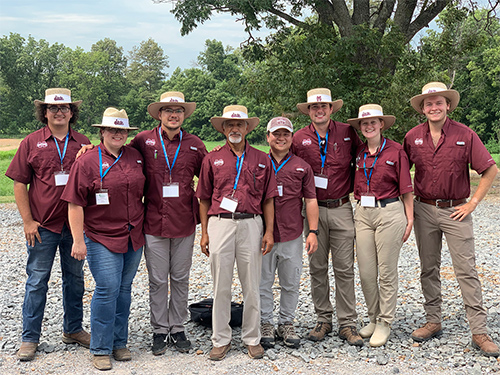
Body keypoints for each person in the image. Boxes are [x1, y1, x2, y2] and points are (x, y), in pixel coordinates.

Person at [77, 92, 208, 355]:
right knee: (158, 280)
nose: (173, 115)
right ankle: (160, 330)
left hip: (184, 222)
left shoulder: (195, 144)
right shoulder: (143, 141)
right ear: (159, 114)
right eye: (168, 110)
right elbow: (115, 151)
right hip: (152, 222)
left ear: (184, 115)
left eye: (179, 110)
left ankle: (178, 327)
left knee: (181, 278)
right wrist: (91, 148)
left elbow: (210, 176)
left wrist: (223, 152)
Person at [403, 82, 499, 357]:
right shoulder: (412, 137)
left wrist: (473, 203)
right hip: (424, 210)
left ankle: (479, 331)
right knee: (428, 268)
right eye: (429, 103)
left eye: (439, 102)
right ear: (422, 109)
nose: (434, 107)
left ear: (448, 105)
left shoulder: (465, 135)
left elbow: (490, 170)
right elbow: (400, 172)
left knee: (466, 271)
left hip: (456, 210)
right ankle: (433, 320)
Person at [5, 88, 91, 361]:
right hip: (43, 226)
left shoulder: (83, 142)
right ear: (44, 113)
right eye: (53, 108)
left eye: (64, 107)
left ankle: (73, 329)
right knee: (37, 282)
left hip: (74, 227)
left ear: (71, 112)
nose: (59, 112)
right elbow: (20, 183)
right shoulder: (31, 142)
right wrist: (27, 221)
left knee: (75, 280)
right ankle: (30, 338)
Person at [61, 108, 145, 370]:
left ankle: (119, 343)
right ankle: (100, 347)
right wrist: (78, 240)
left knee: (124, 289)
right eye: (112, 129)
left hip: (133, 236)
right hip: (101, 237)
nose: (117, 134)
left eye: (122, 130)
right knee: (107, 288)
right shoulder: (86, 161)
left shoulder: (135, 156)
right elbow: (75, 204)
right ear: (102, 132)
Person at [196, 105, 278, 361]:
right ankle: (221, 338)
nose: (234, 129)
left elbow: (269, 199)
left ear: (247, 128)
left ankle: (252, 338)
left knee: (252, 284)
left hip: (251, 223)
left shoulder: (261, 159)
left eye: (239, 125)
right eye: (230, 125)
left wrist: (269, 232)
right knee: (221, 285)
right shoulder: (212, 158)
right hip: (220, 222)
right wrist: (205, 232)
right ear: (223, 128)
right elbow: (204, 198)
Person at [292, 88, 364, 346]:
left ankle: (348, 322)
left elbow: (364, 158)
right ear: (308, 111)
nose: (319, 110)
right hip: (312, 210)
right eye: (314, 107)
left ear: (332, 109)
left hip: (342, 207)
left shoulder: (347, 132)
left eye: (323, 106)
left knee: (344, 268)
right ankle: (323, 318)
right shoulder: (299, 138)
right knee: (317, 267)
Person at [347, 104, 413, 347]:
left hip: (389, 211)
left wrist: (410, 219)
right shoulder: (359, 152)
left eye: (373, 122)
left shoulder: (396, 151)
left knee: (386, 272)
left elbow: (407, 188)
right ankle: (374, 318)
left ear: (382, 124)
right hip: (363, 213)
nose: (369, 126)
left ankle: (385, 322)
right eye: (364, 123)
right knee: (366, 272)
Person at [259, 117, 319, 349]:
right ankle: (265, 322)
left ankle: (286, 322)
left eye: (285, 134)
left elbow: (311, 200)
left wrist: (312, 231)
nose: (281, 138)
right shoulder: (258, 163)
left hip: (293, 233)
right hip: (263, 235)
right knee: (263, 282)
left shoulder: (302, 166)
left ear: (292, 138)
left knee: (290, 282)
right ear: (268, 137)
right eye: (276, 134)